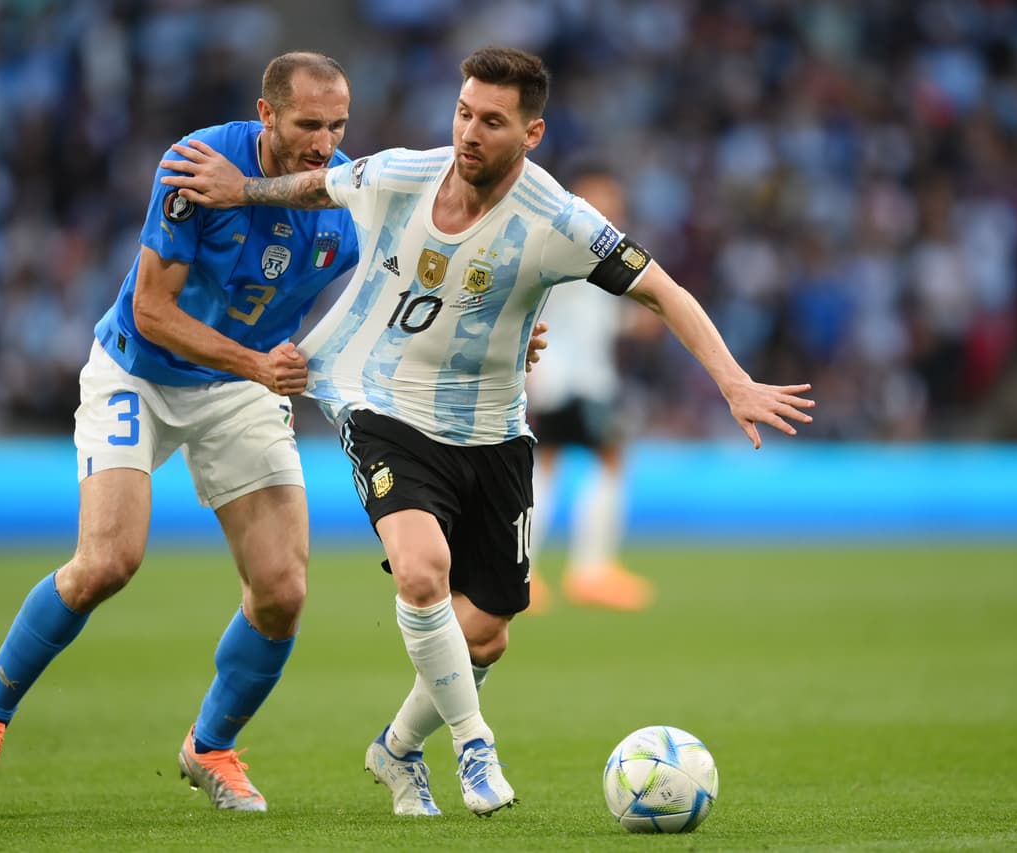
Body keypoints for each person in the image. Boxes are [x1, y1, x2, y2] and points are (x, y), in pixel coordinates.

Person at [160, 45, 814, 818]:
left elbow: (663, 290)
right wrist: (243, 188)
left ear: (532, 133)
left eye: (492, 121)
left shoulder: (560, 220)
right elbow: (315, 186)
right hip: (382, 404)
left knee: (487, 633)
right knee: (421, 571)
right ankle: (476, 745)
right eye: (464, 112)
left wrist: (732, 380)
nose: (470, 132)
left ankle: (398, 747)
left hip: (492, 430)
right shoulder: (403, 173)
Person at [0, 52, 362, 813]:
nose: (325, 144)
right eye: (309, 124)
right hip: (140, 370)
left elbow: (407, 283)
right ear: (266, 114)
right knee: (107, 563)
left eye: (337, 126)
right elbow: (152, 311)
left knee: (282, 590)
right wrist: (258, 365)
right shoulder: (195, 166)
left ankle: (212, 745)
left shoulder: (349, 196)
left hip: (238, 387)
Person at [524, 164, 653, 613]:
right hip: (571, 377)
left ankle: (527, 572)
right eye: (601, 193)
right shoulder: (572, 240)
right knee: (602, 461)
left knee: (549, 464)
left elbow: (591, 313)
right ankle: (589, 571)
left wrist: (630, 322)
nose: (611, 203)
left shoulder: (593, 245)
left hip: (568, 375)